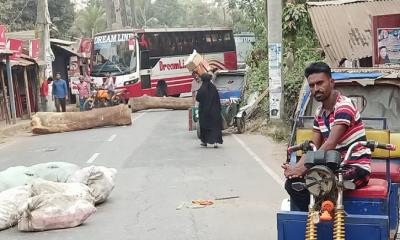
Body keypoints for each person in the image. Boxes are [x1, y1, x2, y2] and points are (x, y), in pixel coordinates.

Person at [282, 62, 371, 211]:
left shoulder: (344, 106)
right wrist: (296, 169)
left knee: (324, 183)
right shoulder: (319, 112)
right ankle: (316, 219)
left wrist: (301, 169)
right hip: (333, 166)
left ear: (331, 82)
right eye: (312, 85)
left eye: (320, 83)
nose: (316, 89)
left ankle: (326, 221)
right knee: (293, 184)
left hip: (355, 167)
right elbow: (313, 147)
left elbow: (329, 144)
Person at [196, 73, 223, 148]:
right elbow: (217, 99)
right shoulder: (213, 87)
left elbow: (197, 98)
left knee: (204, 126)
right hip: (215, 111)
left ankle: (204, 142)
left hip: (204, 112)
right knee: (215, 127)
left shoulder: (202, 88)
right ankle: (215, 142)